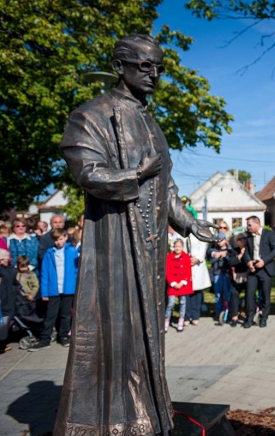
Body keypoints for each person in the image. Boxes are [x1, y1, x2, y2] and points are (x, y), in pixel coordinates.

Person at [54, 34, 217, 436]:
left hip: (149, 246)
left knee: (147, 333)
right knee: (116, 330)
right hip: (113, 242)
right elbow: (88, 173)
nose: (155, 74)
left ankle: (148, 409)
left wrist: (190, 222)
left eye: (159, 67)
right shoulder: (91, 115)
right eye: (146, 66)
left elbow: (167, 187)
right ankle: (113, 418)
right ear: (120, 66)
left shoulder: (150, 120)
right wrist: (135, 175)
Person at [31, 228, 79, 350]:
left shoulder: (72, 251)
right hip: (54, 289)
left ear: (65, 237)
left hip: (68, 289)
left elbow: (76, 270)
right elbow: (45, 273)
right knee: (50, 315)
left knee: (66, 315)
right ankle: (45, 338)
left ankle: (64, 336)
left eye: (61, 239)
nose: (58, 242)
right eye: (56, 240)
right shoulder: (49, 253)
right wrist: (45, 291)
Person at [243, 216, 275, 328]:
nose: (248, 227)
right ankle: (249, 318)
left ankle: (264, 318)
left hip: (265, 268)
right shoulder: (248, 236)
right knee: (249, 294)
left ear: (257, 224)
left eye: (249, 225)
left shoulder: (269, 234)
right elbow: (246, 252)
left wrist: (264, 261)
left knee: (265, 295)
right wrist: (248, 262)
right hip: (253, 269)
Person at [165, 239, 193, 332]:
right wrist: (172, 283)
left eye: (179, 246)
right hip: (173, 284)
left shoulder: (186, 257)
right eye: (176, 246)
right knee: (171, 303)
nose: (177, 248)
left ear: (182, 247)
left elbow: (188, 271)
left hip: (183, 284)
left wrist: (182, 282)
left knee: (183, 303)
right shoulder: (169, 257)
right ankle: (166, 320)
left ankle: (181, 320)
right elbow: (167, 271)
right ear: (173, 247)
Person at [186, 232, 211, 326]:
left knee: (197, 291)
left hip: (197, 264)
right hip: (184, 263)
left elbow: (203, 245)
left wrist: (197, 259)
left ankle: (195, 315)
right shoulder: (180, 232)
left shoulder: (199, 233)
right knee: (186, 291)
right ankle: (186, 316)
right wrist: (184, 258)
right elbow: (175, 245)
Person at [208, 232, 232, 325]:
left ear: (225, 240)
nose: (219, 242)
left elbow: (231, 261)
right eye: (217, 240)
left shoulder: (229, 249)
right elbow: (211, 260)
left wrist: (225, 255)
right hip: (217, 273)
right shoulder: (214, 250)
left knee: (227, 294)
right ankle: (218, 312)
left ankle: (227, 312)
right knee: (218, 295)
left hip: (226, 274)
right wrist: (217, 256)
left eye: (221, 240)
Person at [226, 232, 248, 327]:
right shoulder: (234, 251)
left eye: (244, 238)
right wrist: (240, 255)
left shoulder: (250, 249)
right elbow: (231, 262)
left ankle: (248, 313)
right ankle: (234, 316)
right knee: (234, 293)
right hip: (237, 276)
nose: (242, 240)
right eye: (240, 239)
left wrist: (245, 253)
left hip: (248, 275)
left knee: (249, 293)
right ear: (236, 242)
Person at [0, 249, 18, 354]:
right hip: (3, 296)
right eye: (0, 260)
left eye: (4, 259)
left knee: (9, 318)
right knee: (4, 318)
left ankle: (4, 342)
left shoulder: (11, 268)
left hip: (11, 295)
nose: (2, 262)